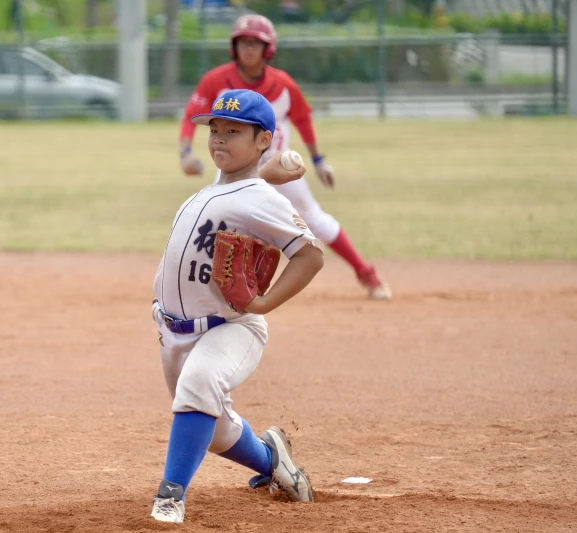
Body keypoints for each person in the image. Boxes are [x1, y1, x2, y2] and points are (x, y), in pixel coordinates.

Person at [150, 89, 322, 523]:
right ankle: (273, 461)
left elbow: (310, 255)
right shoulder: (213, 192)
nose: (219, 139)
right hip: (173, 332)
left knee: (199, 385)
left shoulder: (264, 199)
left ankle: (170, 496)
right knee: (213, 426)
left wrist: (263, 303)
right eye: (215, 130)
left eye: (234, 131)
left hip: (230, 327)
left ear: (264, 140)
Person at [179, 14, 391, 300]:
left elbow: (303, 121)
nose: (249, 48)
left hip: (280, 169)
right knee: (217, 224)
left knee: (315, 220)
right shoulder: (217, 81)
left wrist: (318, 161)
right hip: (235, 169)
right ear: (234, 46)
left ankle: (367, 274)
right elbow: (191, 117)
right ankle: (204, 286)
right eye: (243, 42)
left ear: (268, 49)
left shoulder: (284, 85)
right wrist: (185, 152)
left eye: (256, 43)